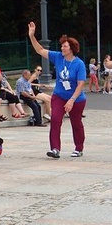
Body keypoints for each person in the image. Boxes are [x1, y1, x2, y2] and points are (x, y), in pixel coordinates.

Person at [28, 22, 87, 158]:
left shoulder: (79, 64)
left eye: (65, 46)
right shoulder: (58, 57)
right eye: (62, 46)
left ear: (71, 48)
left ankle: (79, 148)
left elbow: (80, 84)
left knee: (76, 123)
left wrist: (72, 100)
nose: (62, 48)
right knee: (55, 120)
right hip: (59, 96)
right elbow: (40, 50)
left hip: (76, 99)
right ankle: (55, 149)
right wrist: (32, 36)